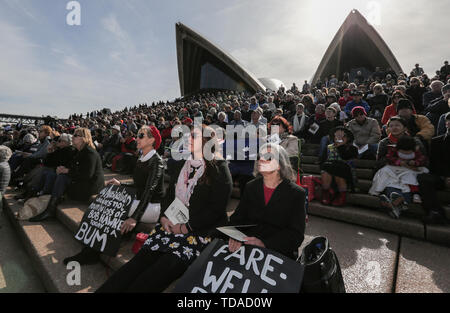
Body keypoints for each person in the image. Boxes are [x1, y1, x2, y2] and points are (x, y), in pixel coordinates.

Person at [96, 124, 233, 293]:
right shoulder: (184, 164)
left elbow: (216, 210)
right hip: (171, 223)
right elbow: (169, 196)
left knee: (156, 274)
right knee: (137, 264)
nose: (188, 139)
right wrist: (163, 217)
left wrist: (186, 227)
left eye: (194, 136)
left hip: (199, 233)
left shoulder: (219, 168)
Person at [64, 126, 165, 265]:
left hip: (150, 206)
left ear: (152, 140)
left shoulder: (157, 161)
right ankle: (92, 247)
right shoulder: (142, 158)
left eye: (141, 136)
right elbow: (138, 186)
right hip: (139, 201)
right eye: (137, 135)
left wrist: (134, 218)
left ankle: (91, 253)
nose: (137, 138)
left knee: (110, 205)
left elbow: (149, 191)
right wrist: (121, 184)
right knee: (105, 198)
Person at [227, 143, 306, 259]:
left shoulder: (296, 193)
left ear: (280, 165)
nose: (261, 160)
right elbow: (237, 219)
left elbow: (295, 235)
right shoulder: (251, 186)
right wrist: (235, 236)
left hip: (277, 254)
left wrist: (265, 244)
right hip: (248, 250)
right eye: (260, 156)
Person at [29, 128, 105, 222]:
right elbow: (70, 167)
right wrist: (61, 169)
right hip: (81, 182)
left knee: (62, 178)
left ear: (84, 138)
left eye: (75, 135)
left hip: (89, 187)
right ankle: (45, 201)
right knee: (53, 174)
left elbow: (87, 175)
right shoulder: (80, 151)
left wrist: (67, 171)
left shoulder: (90, 153)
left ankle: (50, 209)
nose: (72, 137)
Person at [370, 135, 428, 219]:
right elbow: (389, 158)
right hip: (395, 169)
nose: (405, 154)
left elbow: (422, 159)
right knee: (391, 182)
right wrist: (399, 162)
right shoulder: (393, 150)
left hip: (410, 171)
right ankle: (397, 202)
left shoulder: (417, 152)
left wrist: (414, 163)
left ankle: (395, 203)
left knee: (408, 182)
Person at [417, 113, 450, 224]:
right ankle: (435, 211)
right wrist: (445, 177)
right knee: (423, 178)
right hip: (442, 176)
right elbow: (434, 164)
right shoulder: (436, 141)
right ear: (446, 123)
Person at [320, 127, 358, 206]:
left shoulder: (353, 148)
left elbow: (347, 159)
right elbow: (322, 162)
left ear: (347, 138)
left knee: (339, 168)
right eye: (337, 136)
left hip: (345, 174)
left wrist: (340, 146)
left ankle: (342, 196)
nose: (339, 138)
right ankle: (326, 194)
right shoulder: (328, 148)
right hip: (329, 173)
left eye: (342, 136)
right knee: (326, 168)